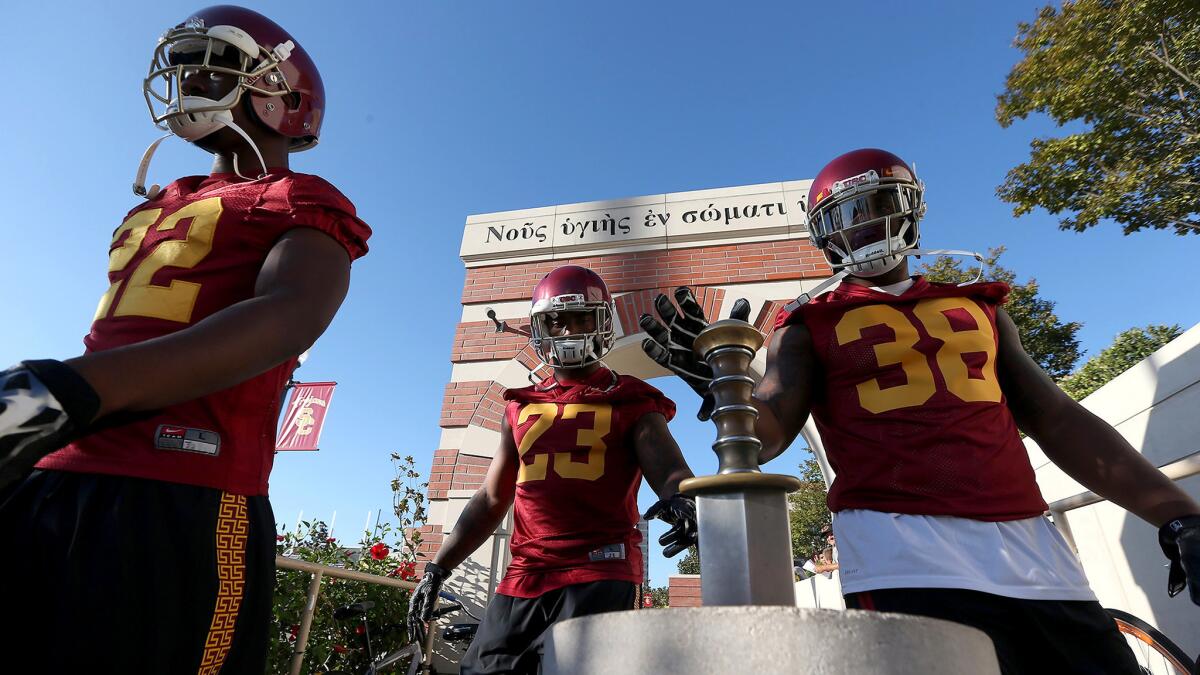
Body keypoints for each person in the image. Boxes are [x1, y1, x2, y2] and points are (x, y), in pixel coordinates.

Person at [641, 148, 1200, 674]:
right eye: (848, 216)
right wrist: (720, 381)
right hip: (899, 547)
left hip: (1029, 542)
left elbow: (1056, 418)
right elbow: (766, 434)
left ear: (910, 208)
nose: (865, 226)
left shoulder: (976, 305)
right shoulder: (808, 324)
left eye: (878, 207)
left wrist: (1176, 513)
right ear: (824, 235)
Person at [0, 6, 371, 673]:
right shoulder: (158, 200)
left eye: (214, 65)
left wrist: (69, 388)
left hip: (179, 489)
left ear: (282, 95)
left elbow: (292, 312)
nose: (192, 80)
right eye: (188, 66)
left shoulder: (302, 198)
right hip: (54, 470)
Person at [408, 265, 699, 675]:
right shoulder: (519, 405)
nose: (567, 331)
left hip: (600, 566)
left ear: (602, 323)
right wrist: (438, 567)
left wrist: (681, 497)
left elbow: (670, 470)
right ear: (540, 327)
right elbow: (493, 498)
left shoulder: (631, 398)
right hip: (526, 572)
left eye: (581, 318)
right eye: (556, 321)